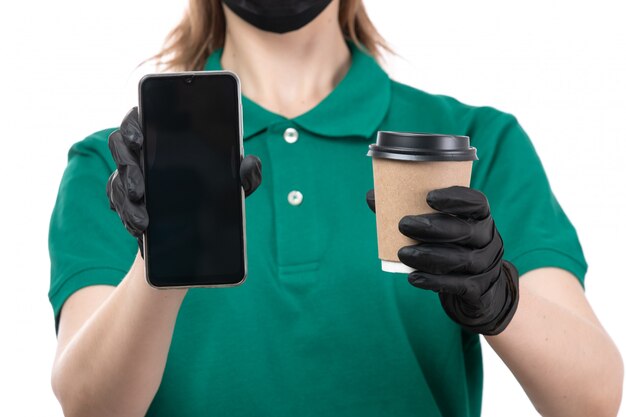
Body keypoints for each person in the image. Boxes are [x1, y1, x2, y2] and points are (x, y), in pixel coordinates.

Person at [48, 1, 623, 416]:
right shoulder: (122, 165)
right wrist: (165, 256)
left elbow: (595, 397)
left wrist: (500, 299)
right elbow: (89, 406)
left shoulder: (473, 141)